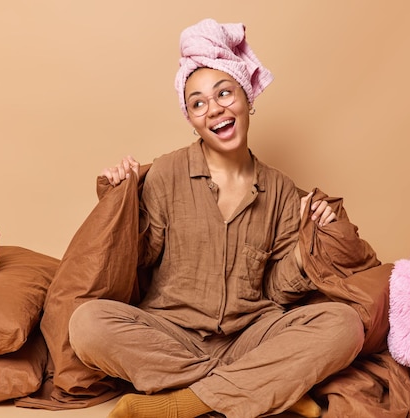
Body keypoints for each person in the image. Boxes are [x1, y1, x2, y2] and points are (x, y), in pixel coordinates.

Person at [68, 18, 364, 418]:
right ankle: (265, 390)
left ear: (247, 98)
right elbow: (137, 260)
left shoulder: (279, 190)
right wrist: (119, 202)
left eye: (224, 93)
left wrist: (303, 248)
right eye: (198, 103)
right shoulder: (167, 173)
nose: (215, 109)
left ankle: (182, 403)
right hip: (170, 335)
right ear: (190, 118)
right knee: (87, 324)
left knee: (343, 324)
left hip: (251, 336)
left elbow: (276, 293)